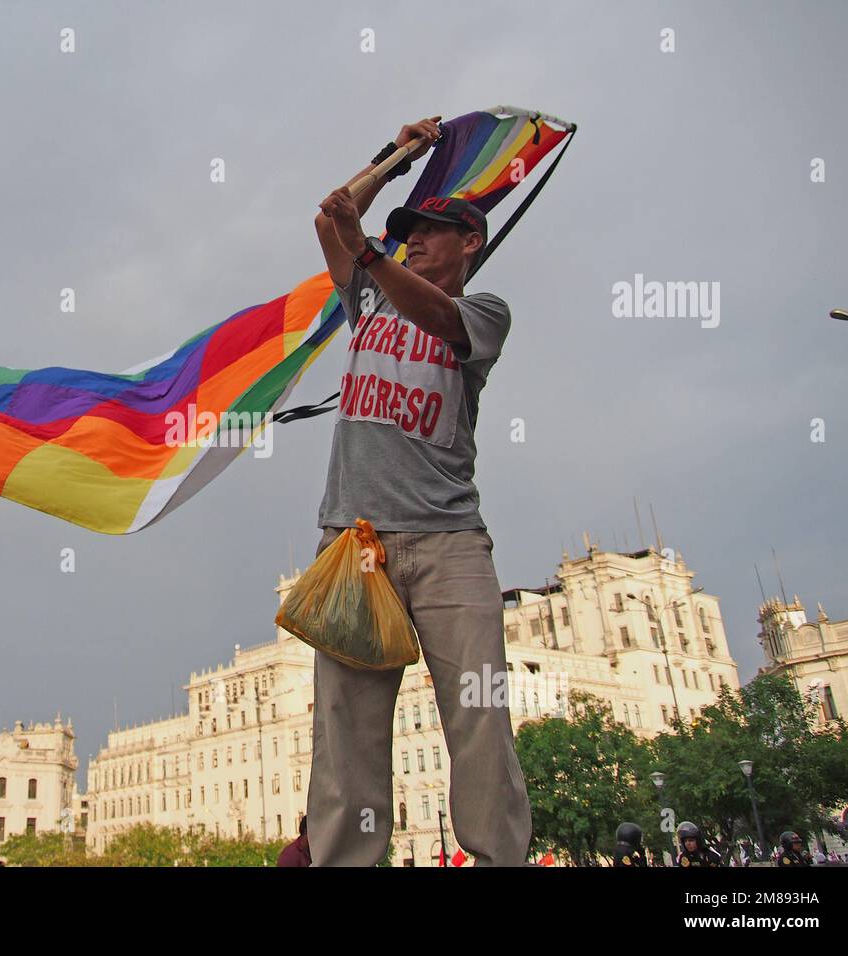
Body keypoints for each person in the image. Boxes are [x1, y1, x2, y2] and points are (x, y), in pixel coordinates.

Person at [305, 116, 530, 867]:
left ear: (471, 242)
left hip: (449, 543)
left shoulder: (482, 311)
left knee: (478, 716)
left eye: (431, 230)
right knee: (346, 733)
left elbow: (433, 312)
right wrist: (397, 159)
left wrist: (372, 251)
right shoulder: (363, 298)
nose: (417, 239)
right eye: (409, 231)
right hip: (355, 542)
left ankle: (498, 857)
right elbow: (332, 211)